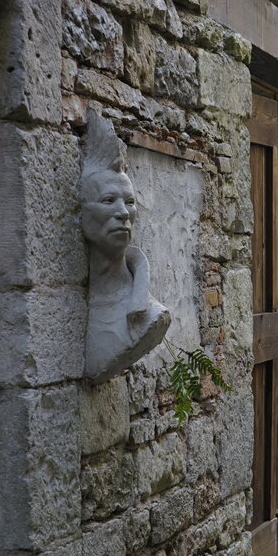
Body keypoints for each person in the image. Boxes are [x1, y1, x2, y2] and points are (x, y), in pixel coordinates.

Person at [80, 110, 170, 382]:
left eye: (129, 202)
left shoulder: (150, 315)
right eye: (108, 201)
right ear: (81, 212)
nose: (122, 212)